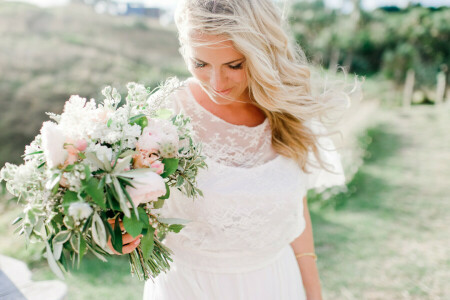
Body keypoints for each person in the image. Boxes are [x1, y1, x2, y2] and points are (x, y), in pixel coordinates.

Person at [109, 0, 352, 299]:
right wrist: (115, 229)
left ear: (263, 53)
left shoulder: (287, 110)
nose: (216, 83)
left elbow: (293, 214)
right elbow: (126, 206)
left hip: (277, 283)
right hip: (190, 288)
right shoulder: (163, 115)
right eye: (200, 64)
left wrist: (313, 293)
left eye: (234, 65)